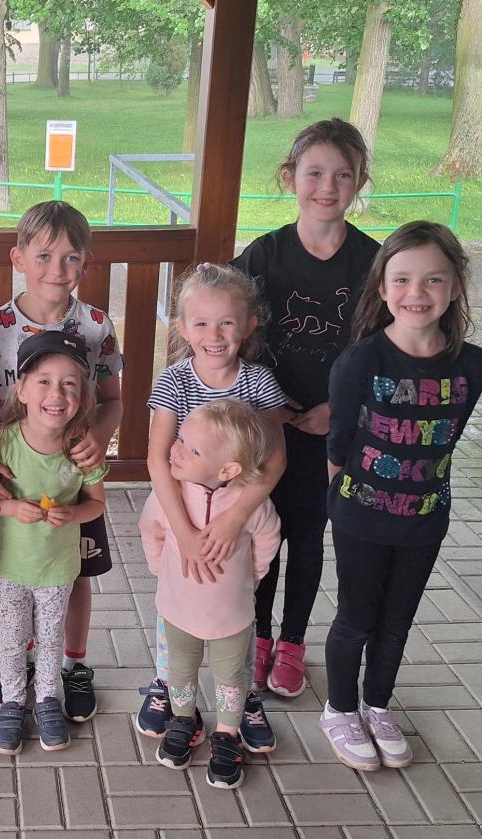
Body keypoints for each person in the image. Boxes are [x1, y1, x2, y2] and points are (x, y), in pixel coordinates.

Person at [320, 221, 482, 772]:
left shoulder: (473, 364)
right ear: (382, 287)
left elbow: (447, 437)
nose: (417, 292)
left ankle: (376, 704)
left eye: (433, 279)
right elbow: (339, 443)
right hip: (361, 519)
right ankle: (339, 709)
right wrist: (344, 505)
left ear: (455, 286)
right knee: (356, 619)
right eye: (402, 279)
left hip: (425, 519)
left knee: (397, 622)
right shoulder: (360, 362)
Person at [228, 118, 380, 699]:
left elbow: (389, 353)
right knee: (262, 529)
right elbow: (225, 330)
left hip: (333, 430)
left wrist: (340, 412)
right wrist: (264, 406)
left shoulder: (373, 263)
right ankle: (260, 636)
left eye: (343, 175)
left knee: (309, 538)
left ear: (359, 181)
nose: (327, 187)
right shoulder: (264, 256)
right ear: (290, 177)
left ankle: (293, 641)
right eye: (315, 173)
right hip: (266, 425)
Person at [0, 200, 124, 723]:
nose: (58, 268)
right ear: (19, 258)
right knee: (18, 571)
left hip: (73, 475)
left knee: (74, 574)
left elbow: (113, 399)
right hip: (15, 476)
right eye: (45, 255)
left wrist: (99, 435)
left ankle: (72, 665)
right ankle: (24, 666)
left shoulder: (96, 326)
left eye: (72, 257)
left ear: (86, 263)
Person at [133, 265, 289, 755]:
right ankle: (168, 684)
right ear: (182, 328)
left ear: (248, 325)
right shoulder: (175, 382)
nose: (214, 335)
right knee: (176, 610)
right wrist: (181, 533)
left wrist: (235, 517)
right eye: (201, 323)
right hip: (183, 511)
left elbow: (275, 459)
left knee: (238, 615)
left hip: (238, 517)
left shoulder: (258, 382)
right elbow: (158, 459)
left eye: (226, 323)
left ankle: (241, 698)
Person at [141, 399, 281, 789]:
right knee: (180, 670)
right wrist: (162, 570)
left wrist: (250, 579)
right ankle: (184, 720)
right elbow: (151, 529)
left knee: (231, 677)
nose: (176, 449)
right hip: (178, 608)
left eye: (193, 449)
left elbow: (269, 538)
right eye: (180, 439)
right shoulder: (169, 494)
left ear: (228, 470)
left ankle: (227, 734)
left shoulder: (249, 503)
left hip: (230, 615)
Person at [0, 331, 108, 755]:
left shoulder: (81, 450)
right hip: (10, 564)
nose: (57, 393)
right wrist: (9, 508)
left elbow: (96, 504)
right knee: (13, 637)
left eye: (69, 384)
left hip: (58, 567)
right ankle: (13, 702)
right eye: (44, 381)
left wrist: (73, 514)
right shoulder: (0, 442)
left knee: (52, 637)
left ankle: (48, 700)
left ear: (82, 396)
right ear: (21, 390)